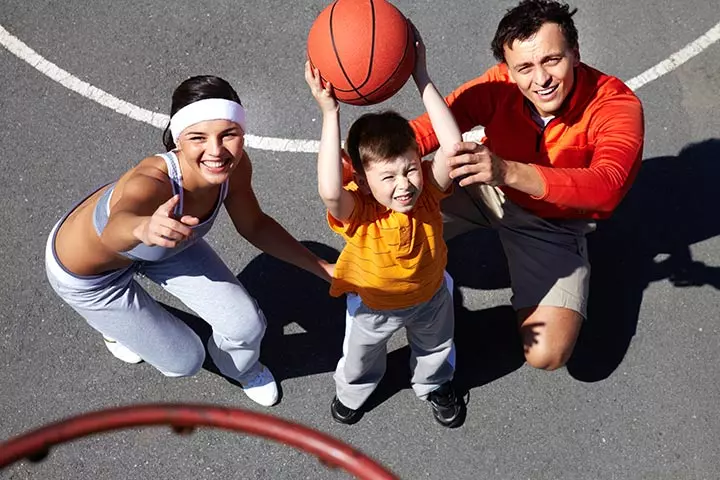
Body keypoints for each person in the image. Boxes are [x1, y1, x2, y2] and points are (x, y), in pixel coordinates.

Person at [45, 75, 333, 407]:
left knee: (247, 326)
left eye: (229, 135)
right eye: (199, 137)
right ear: (178, 140)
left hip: (167, 244)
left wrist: (322, 268)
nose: (216, 151)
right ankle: (111, 325)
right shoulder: (152, 181)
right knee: (184, 362)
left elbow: (254, 225)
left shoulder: (234, 168)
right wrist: (142, 229)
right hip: (90, 276)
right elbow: (113, 230)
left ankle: (240, 369)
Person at [409, 0, 644, 370]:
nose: (541, 79)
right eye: (525, 67)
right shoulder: (498, 84)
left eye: (552, 60)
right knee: (391, 196)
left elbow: (608, 186)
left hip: (553, 223)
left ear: (575, 53)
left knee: (546, 355)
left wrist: (506, 172)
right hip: (485, 188)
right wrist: (357, 163)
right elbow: (431, 127)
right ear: (509, 69)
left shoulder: (615, 105)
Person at [304, 28, 466, 428]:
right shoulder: (360, 211)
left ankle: (435, 384)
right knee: (360, 355)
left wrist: (421, 76)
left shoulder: (427, 193)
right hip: (372, 305)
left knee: (436, 348)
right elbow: (329, 190)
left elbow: (453, 148)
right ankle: (354, 389)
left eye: (410, 169)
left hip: (430, 296)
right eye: (388, 176)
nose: (404, 184)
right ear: (360, 176)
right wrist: (330, 113)